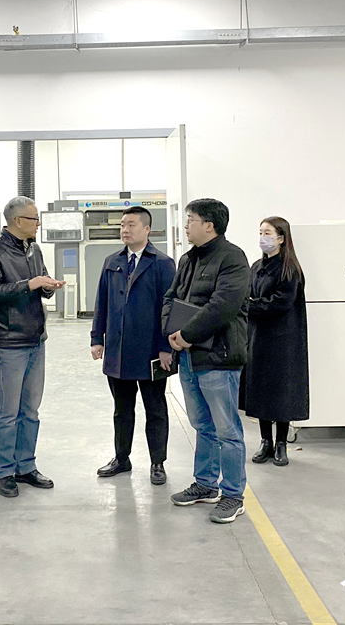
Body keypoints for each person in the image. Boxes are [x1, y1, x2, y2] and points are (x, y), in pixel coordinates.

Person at [161, 198, 250, 524]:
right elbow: (171, 298)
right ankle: (206, 484)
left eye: (191, 220)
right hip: (189, 357)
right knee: (202, 426)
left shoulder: (233, 258)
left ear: (209, 225)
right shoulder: (188, 259)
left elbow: (222, 306)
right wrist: (171, 333)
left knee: (228, 430)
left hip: (219, 358)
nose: (186, 226)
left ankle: (233, 495)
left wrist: (187, 335)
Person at [0, 196, 64, 498]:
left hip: (36, 340)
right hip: (9, 343)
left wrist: (47, 286)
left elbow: (38, 285)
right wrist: (29, 284)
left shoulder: (34, 249)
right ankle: (4, 471)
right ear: (18, 221)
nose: (38, 224)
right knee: (8, 412)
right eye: (34, 218)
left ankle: (26, 466)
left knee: (31, 410)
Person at [90, 206, 176, 485]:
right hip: (118, 350)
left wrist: (166, 347)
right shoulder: (112, 262)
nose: (125, 230)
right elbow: (102, 302)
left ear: (147, 229)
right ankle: (121, 458)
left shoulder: (162, 263)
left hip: (151, 351)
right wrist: (96, 338)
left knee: (155, 408)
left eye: (131, 225)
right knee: (122, 410)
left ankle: (157, 462)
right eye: (123, 225)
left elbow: (169, 308)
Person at [241, 217, 309, 467]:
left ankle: (281, 443)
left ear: (281, 238)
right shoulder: (257, 266)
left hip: (283, 340)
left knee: (282, 391)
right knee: (260, 389)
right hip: (258, 337)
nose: (263, 238)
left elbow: (280, 303)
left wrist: (250, 306)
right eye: (261, 232)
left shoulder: (290, 270)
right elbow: (248, 294)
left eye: (268, 233)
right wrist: (250, 304)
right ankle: (265, 442)